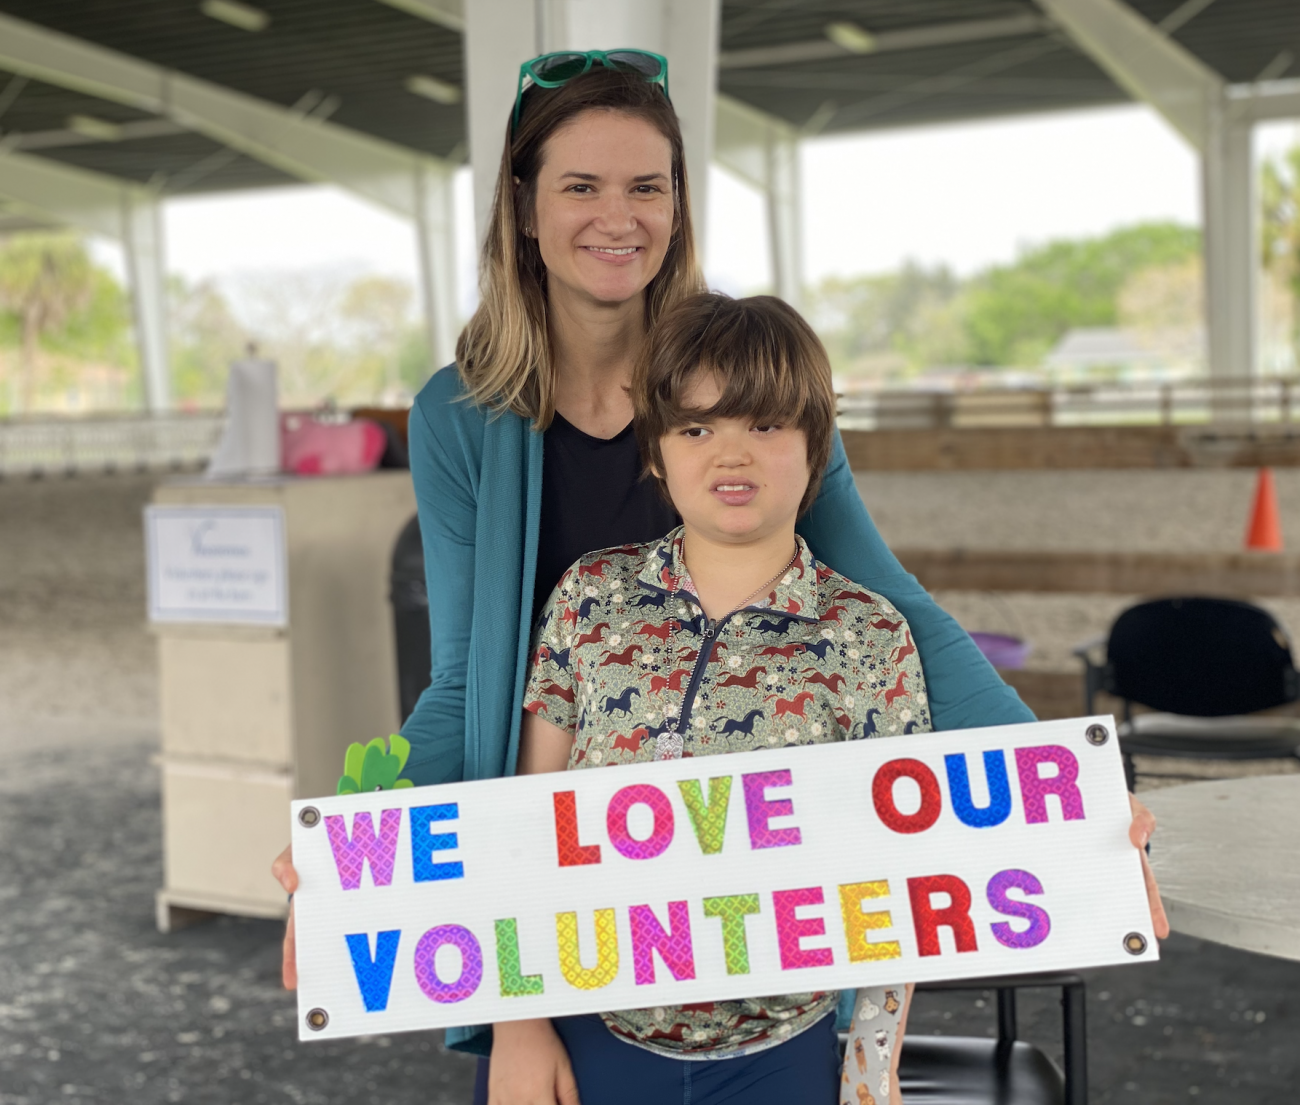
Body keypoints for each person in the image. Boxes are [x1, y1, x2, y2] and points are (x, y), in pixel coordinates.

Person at [270, 49, 1168, 1101]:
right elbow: (469, 681)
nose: (619, 216)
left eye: (648, 186)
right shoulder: (460, 418)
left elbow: (896, 612)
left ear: (680, 204)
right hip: (573, 893)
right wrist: (358, 848)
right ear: (522, 207)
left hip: (753, 908)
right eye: (581, 186)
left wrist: (1069, 794)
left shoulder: (752, 388)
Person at [515, 290, 918, 1105]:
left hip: (782, 1045)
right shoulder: (591, 598)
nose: (730, 455)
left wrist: (872, 1068)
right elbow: (528, 820)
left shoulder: (869, 634)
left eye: (764, 425)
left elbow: (895, 867)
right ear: (656, 451)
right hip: (597, 1029)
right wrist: (520, 1025)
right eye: (697, 428)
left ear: (816, 447)